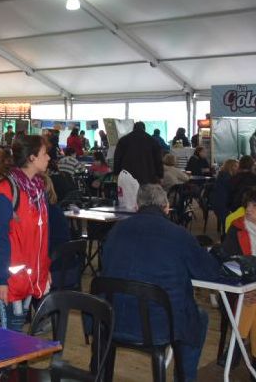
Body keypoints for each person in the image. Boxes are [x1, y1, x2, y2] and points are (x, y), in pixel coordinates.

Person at [101, 184, 220, 382]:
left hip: (112, 318)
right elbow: (209, 272)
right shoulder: (179, 235)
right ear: (166, 207)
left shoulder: (115, 231)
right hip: (159, 325)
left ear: (137, 207)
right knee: (199, 318)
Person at [0, 135, 50, 331]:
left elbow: (40, 237)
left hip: (27, 275)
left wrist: (44, 269)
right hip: (9, 277)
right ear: (32, 158)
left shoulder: (36, 190)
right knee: (11, 331)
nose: (49, 158)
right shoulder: (6, 191)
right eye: (45, 153)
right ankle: (6, 362)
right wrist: (0, 280)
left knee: (16, 331)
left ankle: (13, 361)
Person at [222, 188, 256, 361]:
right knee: (251, 302)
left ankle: (235, 348)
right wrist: (247, 288)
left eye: (254, 205)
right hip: (241, 287)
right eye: (248, 204)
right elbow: (229, 264)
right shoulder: (236, 228)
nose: (249, 209)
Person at [213, 159, 239, 233]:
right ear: (231, 167)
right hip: (223, 206)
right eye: (236, 166)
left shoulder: (222, 175)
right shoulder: (227, 178)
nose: (238, 168)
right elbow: (233, 192)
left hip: (217, 204)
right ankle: (226, 237)